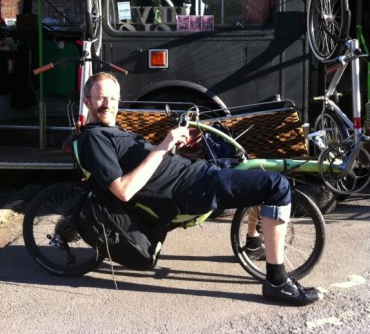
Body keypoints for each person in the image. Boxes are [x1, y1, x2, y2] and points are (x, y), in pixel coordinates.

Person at [77, 71, 323, 306]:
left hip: (195, 173)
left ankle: (253, 241)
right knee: (275, 185)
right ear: (87, 102)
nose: (107, 104)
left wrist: (176, 147)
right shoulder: (95, 138)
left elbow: (148, 164)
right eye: (100, 98)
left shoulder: (112, 130)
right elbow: (124, 190)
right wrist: (164, 144)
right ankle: (277, 282)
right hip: (190, 190)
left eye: (112, 98)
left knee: (254, 167)